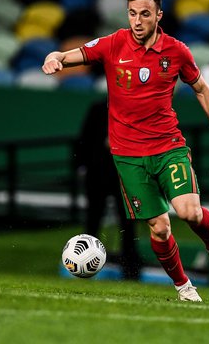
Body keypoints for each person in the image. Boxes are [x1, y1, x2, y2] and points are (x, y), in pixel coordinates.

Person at [42, 0, 209, 301]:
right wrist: (55, 58)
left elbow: (202, 89)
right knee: (160, 229)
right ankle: (183, 286)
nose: (137, 21)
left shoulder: (176, 51)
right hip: (128, 156)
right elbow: (69, 55)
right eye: (132, 13)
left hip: (168, 147)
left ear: (158, 16)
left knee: (190, 213)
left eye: (145, 14)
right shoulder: (113, 43)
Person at [75, 99, 142, 280]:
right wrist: (83, 165)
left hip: (123, 174)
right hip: (98, 172)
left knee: (128, 222)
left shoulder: (133, 110)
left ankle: (131, 270)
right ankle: (84, 266)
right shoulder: (98, 109)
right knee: (93, 220)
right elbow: (85, 139)